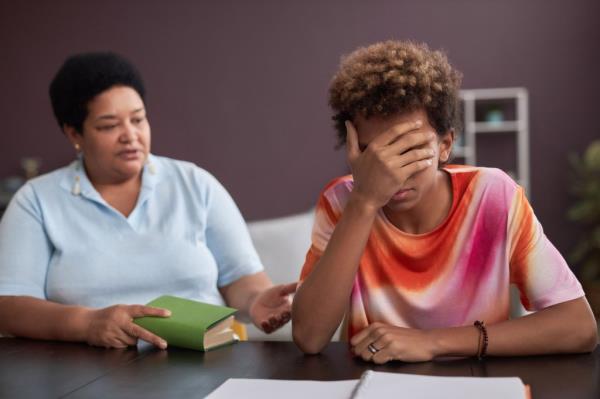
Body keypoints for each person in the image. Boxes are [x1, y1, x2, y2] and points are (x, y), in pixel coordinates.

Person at [292, 41, 597, 362]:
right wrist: (364, 202)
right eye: (374, 155)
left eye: (410, 151)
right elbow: (309, 337)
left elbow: (579, 325)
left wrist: (432, 342)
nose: (394, 174)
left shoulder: (493, 196)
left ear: (445, 144)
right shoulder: (343, 202)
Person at [0, 52, 296, 349]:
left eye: (138, 119)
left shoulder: (195, 184)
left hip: (202, 364)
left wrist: (257, 300)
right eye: (109, 125)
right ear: (73, 132)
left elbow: (241, 280)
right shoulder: (37, 201)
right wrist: (88, 323)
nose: (130, 135)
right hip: (86, 372)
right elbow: (9, 307)